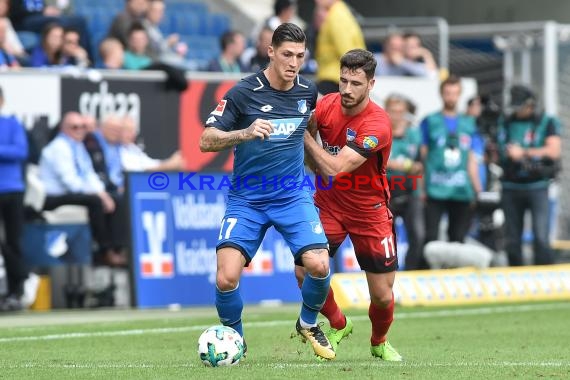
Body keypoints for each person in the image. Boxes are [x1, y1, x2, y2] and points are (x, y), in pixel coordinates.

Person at [199, 23, 335, 360]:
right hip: (248, 199)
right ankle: (238, 342)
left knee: (318, 264)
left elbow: (310, 132)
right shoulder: (243, 92)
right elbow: (206, 140)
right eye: (287, 54)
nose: (293, 63)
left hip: (291, 195)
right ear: (270, 51)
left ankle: (307, 323)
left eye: (300, 56)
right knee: (227, 276)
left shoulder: (307, 91)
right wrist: (243, 133)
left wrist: (321, 169)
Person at [301, 49, 402, 361]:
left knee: (382, 296)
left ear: (370, 84)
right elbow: (313, 156)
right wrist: (306, 141)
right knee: (305, 272)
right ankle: (339, 323)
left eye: (355, 83)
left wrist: (302, 136)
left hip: (369, 212)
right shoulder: (327, 104)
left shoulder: (378, 125)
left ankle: (378, 341)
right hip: (329, 205)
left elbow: (334, 167)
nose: (346, 89)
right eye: (342, 80)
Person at [39, 112, 126, 267]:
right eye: (74, 127)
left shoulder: (78, 147)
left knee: (114, 198)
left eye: (83, 127)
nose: (80, 130)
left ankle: (117, 247)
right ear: (63, 128)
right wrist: (99, 195)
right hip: (52, 197)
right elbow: (71, 183)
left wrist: (103, 193)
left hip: (72, 194)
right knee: (95, 201)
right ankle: (103, 250)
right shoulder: (59, 148)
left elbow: (89, 174)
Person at [420, 76, 482, 265]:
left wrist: (477, 190)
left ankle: (455, 280)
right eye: (448, 93)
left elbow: (472, 158)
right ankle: (427, 277)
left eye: (455, 93)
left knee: (458, 238)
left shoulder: (469, 123)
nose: (451, 97)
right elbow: (423, 156)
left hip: (461, 190)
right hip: (435, 189)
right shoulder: (429, 121)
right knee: (430, 236)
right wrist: (422, 188)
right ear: (441, 94)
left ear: (460, 94)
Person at [497, 85, 561, 265]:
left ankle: (546, 278)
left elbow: (554, 150)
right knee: (512, 238)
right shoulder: (506, 121)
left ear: (531, 105)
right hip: (511, 186)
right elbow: (500, 149)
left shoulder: (546, 121)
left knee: (541, 236)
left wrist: (524, 152)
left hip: (537, 186)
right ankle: (515, 278)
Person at [385, 94, 425, 271]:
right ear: (387, 112)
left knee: (418, 234)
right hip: (387, 190)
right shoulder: (381, 131)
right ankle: (388, 274)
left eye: (401, 112)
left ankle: (411, 272)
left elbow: (420, 162)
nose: (397, 115)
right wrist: (402, 165)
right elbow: (377, 161)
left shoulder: (414, 133)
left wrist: (415, 167)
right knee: (387, 238)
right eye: (393, 111)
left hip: (410, 188)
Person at [0, 86, 30, 310]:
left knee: (14, 240)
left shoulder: (12, 124)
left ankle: (15, 291)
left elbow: (20, 152)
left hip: (12, 189)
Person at [315, 0, 365, 95]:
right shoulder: (339, 13)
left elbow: (348, 54)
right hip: (337, 78)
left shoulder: (337, 17)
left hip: (335, 80)